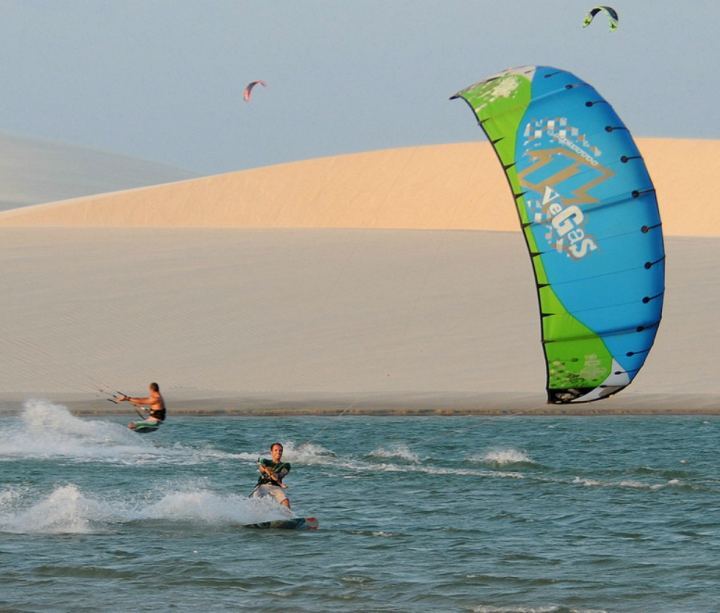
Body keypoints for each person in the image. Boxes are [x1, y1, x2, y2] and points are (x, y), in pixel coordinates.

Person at [252, 442, 291, 508]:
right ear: (271, 452)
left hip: (275, 486)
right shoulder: (265, 461)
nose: (278, 452)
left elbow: (279, 475)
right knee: (256, 502)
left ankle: (289, 517)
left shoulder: (286, 465)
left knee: (285, 501)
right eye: (276, 450)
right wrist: (265, 468)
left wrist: (270, 472)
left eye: (280, 450)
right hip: (262, 486)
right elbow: (261, 469)